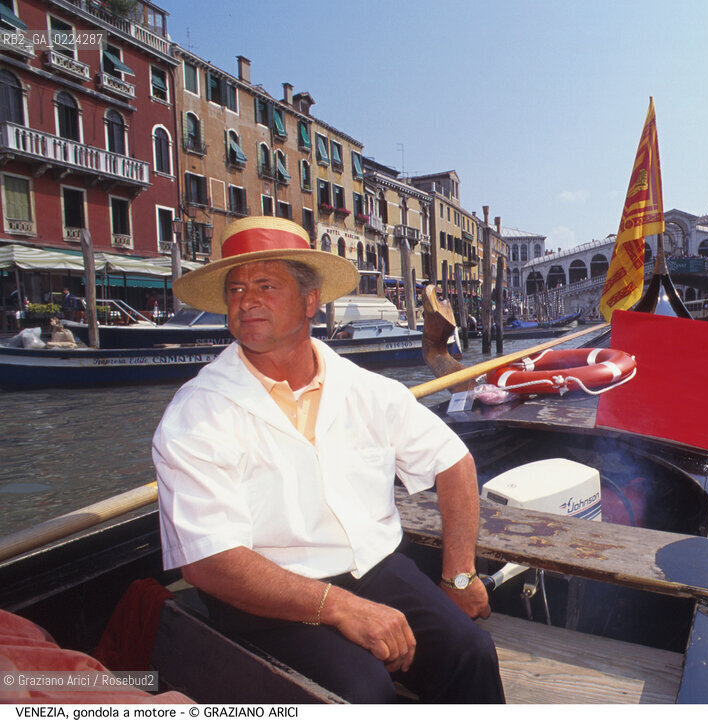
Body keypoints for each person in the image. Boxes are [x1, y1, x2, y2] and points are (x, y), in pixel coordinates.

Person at [152, 216, 504, 703]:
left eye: (265, 285)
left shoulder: (365, 388)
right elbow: (210, 563)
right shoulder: (195, 414)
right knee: (361, 691)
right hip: (265, 598)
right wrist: (339, 607)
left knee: (471, 652)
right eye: (235, 289)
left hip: (377, 567)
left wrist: (459, 574)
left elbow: (454, 461)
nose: (246, 300)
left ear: (310, 300)